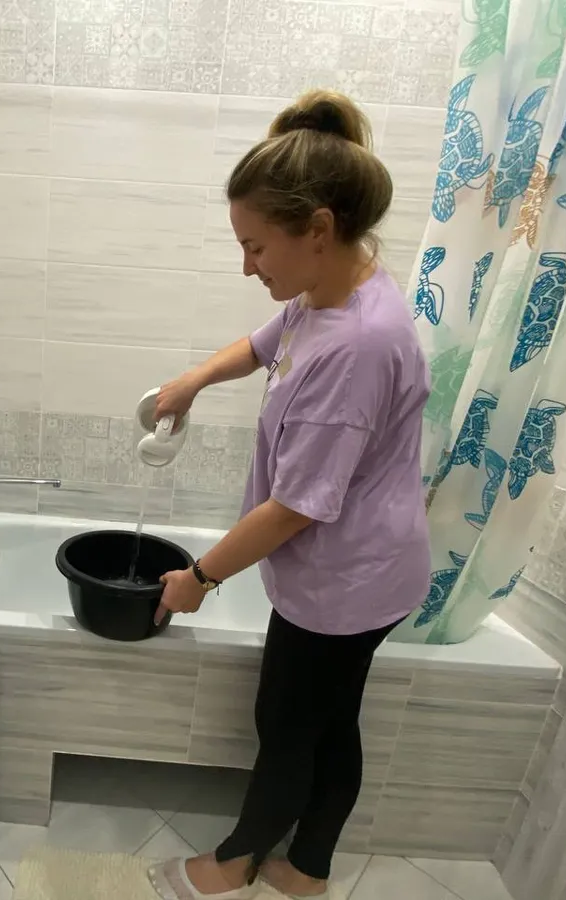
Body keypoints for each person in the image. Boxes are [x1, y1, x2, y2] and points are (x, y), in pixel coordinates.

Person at [146, 90, 432, 900]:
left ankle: (232, 865)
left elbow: (297, 507)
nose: (248, 266)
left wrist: (200, 578)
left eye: (255, 246)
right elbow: (261, 345)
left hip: (347, 580)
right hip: (364, 565)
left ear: (318, 228)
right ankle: (306, 870)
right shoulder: (333, 290)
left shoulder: (359, 346)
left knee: (287, 728)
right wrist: (194, 380)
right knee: (330, 721)